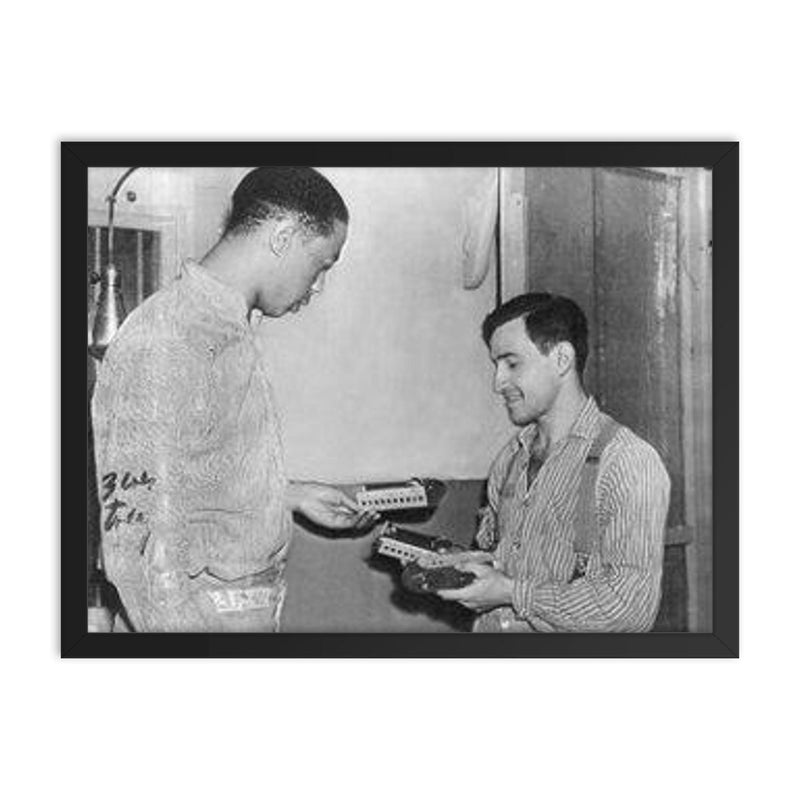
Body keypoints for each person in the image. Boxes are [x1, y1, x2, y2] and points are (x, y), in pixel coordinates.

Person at [91, 167, 378, 632]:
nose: (319, 284)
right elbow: (134, 537)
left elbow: (189, 478)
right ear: (283, 236)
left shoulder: (226, 328)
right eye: (322, 263)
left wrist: (287, 496)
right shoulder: (171, 334)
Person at [436, 292, 670, 632]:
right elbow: (504, 558)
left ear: (561, 359)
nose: (497, 383)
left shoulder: (627, 462)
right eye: (496, 366)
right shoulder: (510, 459)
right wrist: (467, 565)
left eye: (512, 363)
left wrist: (512, 593)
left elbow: (629, 610)